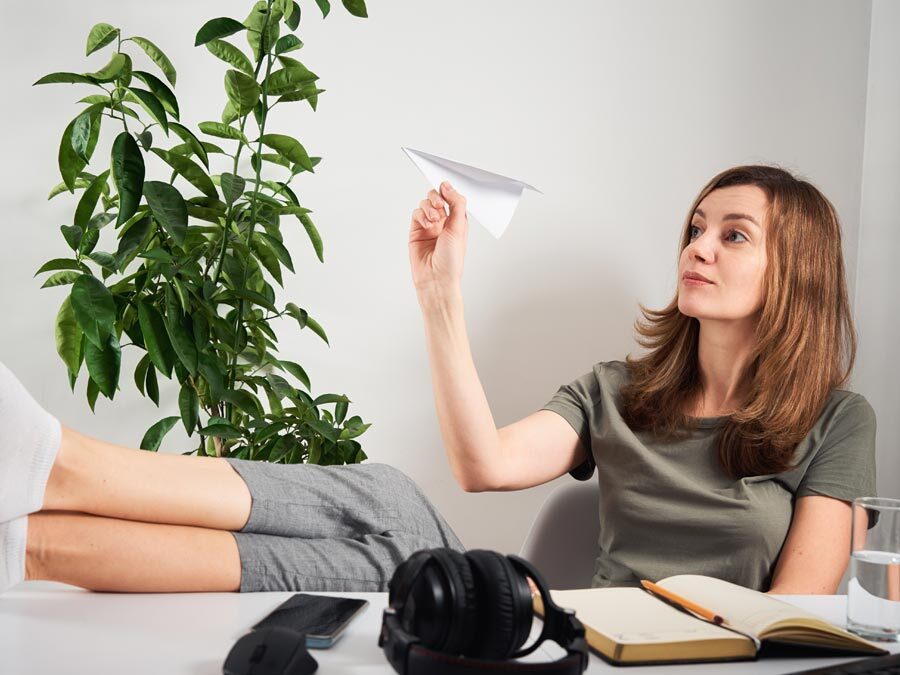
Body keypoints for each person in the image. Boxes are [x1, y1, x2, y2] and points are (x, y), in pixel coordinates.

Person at [0, 164, 873, 595]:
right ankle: (27, 544)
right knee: (383, 533)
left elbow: (786, 621)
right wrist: (440, 293)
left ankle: (57, 464)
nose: (697, 245)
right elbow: (484, 464)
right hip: (571, 640)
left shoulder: (836, 422)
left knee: (387, 524)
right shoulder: (621, 390)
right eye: (695, 226)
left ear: (793, 268)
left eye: (733, 235)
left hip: (654, 656)